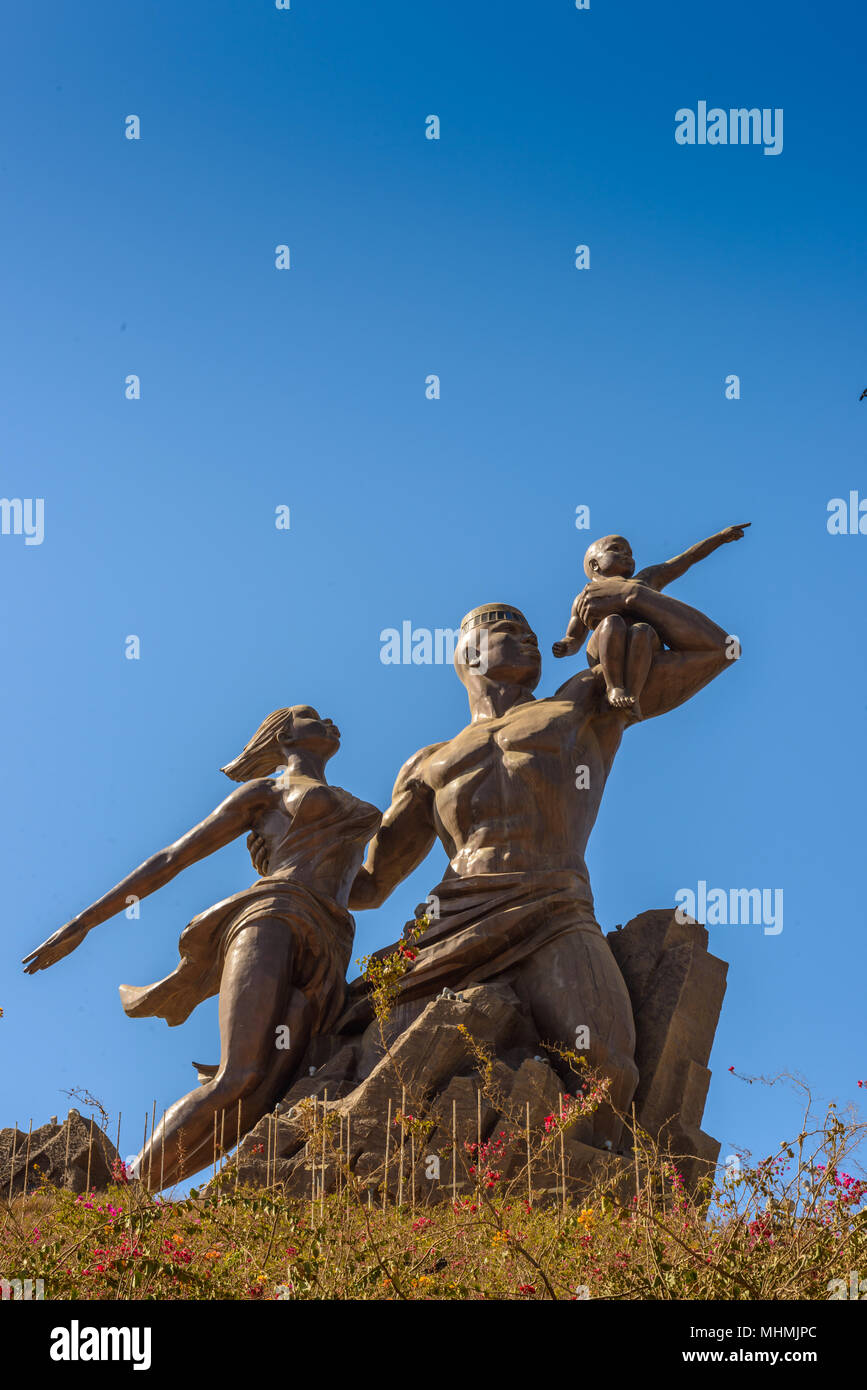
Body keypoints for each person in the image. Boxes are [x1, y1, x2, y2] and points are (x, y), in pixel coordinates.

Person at [22, 706, 380, 1187]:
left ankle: (145, 1193)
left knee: (266, 1087)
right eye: (311, 716)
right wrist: (84, 922)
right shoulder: (265, 792)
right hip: (272, 917)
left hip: (332, 939)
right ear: (283, 736)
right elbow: (173, 857)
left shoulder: (350, 802)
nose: (330, 720)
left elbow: (368, 891)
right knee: (238, 1074)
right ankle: (124, 1191)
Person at [552, 524, 749, 718]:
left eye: (629, 552)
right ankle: (614, 687)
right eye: (616, 549)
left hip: (645, 645)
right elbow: (574, 636)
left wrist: (720, 538)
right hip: (606, 645)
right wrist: (564, 646)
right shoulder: (584, 596)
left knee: (643, 630)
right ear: (595, 565)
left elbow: (684, 560)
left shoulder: (644, 580)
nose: (627, 555)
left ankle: (633, 694)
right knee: (612, 622)